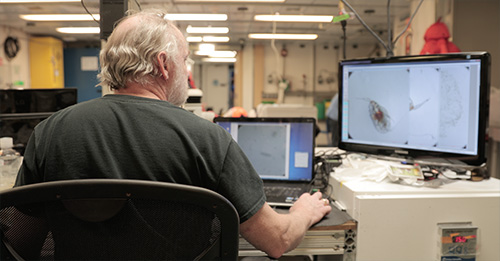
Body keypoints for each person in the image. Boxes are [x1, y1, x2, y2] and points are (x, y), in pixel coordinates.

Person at [14, 9, 331, 258]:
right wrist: (304, 211)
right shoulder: (205, 138)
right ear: (163, 64)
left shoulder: (50, 132)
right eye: (185, 60)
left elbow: (20, 241)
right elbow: (277, 240)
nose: (187, 72)